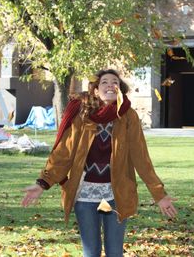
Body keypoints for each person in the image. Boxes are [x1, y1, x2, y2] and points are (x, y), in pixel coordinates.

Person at [21, 69, 177, 257]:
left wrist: (159, 194)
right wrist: (42, 183)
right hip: (85, 195)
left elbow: (141, 158)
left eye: (115, 82)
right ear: (95, 90)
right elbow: (64, 153)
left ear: (120, 90)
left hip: (116, 195)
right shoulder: (82, 117)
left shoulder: (129, 117)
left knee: (114, 252)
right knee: (91, 251)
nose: (110, 85)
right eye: (104, 82)